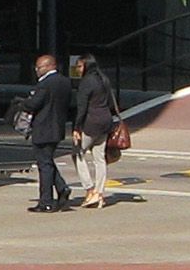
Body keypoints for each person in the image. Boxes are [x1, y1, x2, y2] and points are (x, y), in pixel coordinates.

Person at [19, 52, 74, 211]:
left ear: (50, 66)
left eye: (40, 67)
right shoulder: (65, 82)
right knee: (47, 161)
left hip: (43, 129)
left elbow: (34, 104)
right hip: (57, 127)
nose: (37, 70)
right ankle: (62, 188)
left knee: (44, 165)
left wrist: (25, 103)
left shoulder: (45, 84)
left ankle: (46, 201)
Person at [70, 51, 119, 209]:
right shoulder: (103, 79)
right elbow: (111, 103)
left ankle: (89, 189)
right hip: (105, 121)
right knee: (99, 158)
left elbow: (82, 107)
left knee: (77, 153)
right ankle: (99, 192)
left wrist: (77, 127)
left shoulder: (86, 82)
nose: (77, 69)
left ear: (85, 65)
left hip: (91, 123)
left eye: (79, 66)